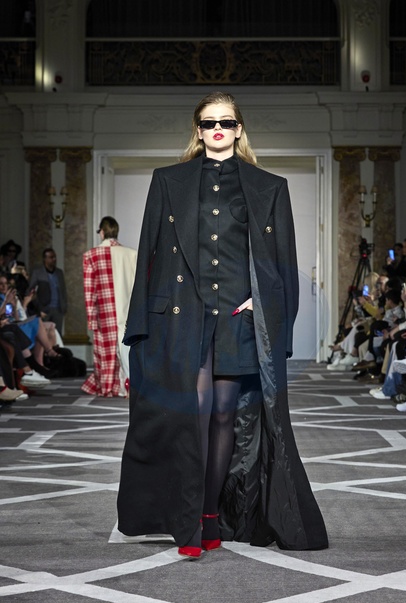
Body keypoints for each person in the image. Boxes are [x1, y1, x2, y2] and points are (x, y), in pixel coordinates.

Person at [117, 91, 328, 557]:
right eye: (209, 122)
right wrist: (140, 325)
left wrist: (263, 301)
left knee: (223, 415)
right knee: (194, 412)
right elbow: (151, 251)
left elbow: (281, 258)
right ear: (198, 130)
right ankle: (192, 519)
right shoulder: (168, 180)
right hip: (184, 315)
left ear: (238, 129)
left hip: (238, 316)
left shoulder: (268, 186)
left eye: (226, 122)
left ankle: (211, 515)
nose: (217, 129)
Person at [82, 216, 137, 397]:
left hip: (104, 311)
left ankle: (108, 386)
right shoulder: (131, 254)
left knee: (106, 352)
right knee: (127, 348)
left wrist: (91, 318)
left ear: (102, 232)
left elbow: (89, 290)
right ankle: (127, 384)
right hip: (128, 310)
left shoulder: (91, 256)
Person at [27, 248, 67, 334]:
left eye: (55, 257)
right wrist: (38, 308)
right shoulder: (37, 273)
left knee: (57, 334)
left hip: (58, 309)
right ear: (45, 259)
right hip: (44, 309)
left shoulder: (59, 272)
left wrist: (64, 305)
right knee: (43, 333)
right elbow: (31, 291)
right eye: (51, 257)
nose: (54, 259)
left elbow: (63, 290)